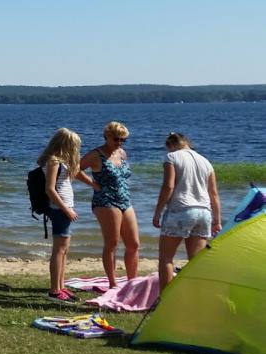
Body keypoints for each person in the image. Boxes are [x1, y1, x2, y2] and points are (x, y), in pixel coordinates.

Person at [153, 132, 221, 290]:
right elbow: (214, 194)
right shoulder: (206, 162)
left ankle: (165, 300)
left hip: (180, 210)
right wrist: (217, 220)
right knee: (196, 261)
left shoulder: (171, 158)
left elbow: (168, 186)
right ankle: (196, 297)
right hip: (204, 212)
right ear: (187, 142)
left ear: (170, 146)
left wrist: (158, 213)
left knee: (166, 259)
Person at [79, 121, 140, 289]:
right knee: (112, 243)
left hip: (125, 199)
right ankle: (112, 283)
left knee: (134, 244)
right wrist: (93, 184)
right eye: (116, 139)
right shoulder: (96, 154)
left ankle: (131, 282)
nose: (119, 142)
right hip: (105, 200)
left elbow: (124, 175)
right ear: (106, 136)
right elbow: (75, 169)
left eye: (123, 140)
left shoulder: (121, 153)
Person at [39, 127, 83, 302]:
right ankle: (54, 290)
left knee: (64, 250)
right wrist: (66, 209)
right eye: (74, 145)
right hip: (59, 209)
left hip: (64, 207)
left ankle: (61, 286)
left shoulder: (61, 161)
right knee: (59, 250)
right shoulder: (54, 161)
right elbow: (50, 189)